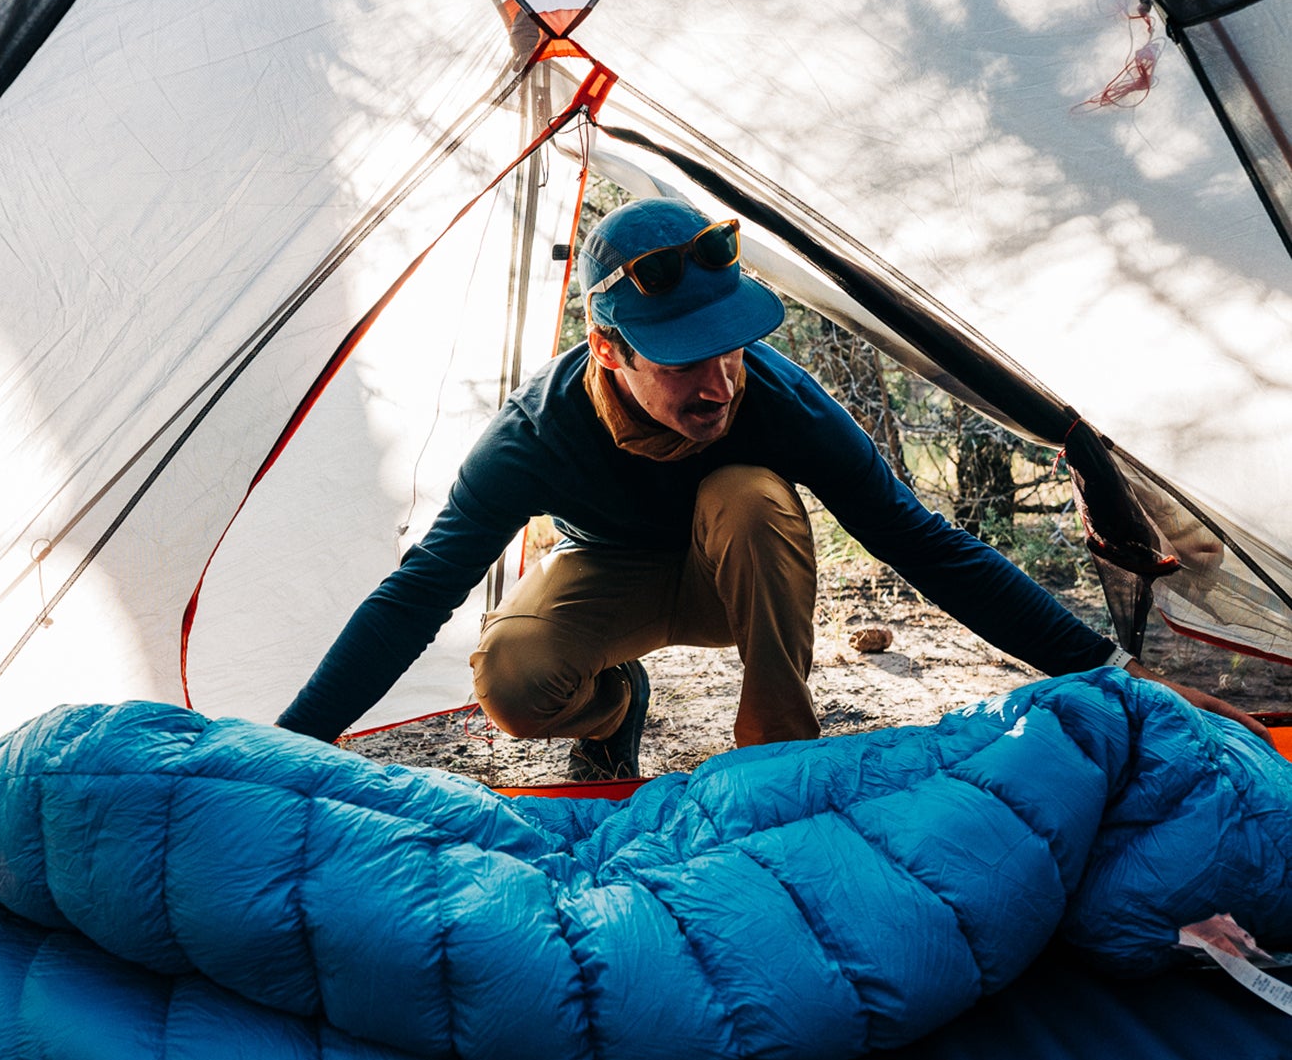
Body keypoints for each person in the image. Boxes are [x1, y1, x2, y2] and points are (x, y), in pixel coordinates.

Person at [276, 197, 1268, 776]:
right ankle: (614, 715)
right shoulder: (535, 440)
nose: (717, 383)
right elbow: (419, 590)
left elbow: (920, 540)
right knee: (514, 679)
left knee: (747, 493)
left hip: (738, 573)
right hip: (612, 576)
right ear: (607, 350)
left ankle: (776, 762)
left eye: (731, 349)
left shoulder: (779, 405)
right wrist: (290, 750)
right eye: (680, 362)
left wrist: (1104, 669)